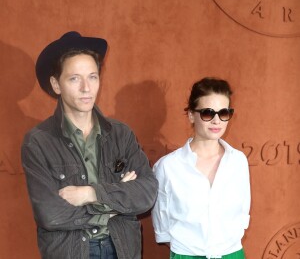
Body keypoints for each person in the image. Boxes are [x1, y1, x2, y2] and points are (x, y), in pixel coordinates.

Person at [21, 31, 158, 259]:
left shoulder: (121, 134)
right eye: (74, 78)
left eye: (92, 77)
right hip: (71, 252)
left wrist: (91, 193)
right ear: (56, 84)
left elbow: (146, 193)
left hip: (122, 248)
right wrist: (115, 202)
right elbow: (50, 214)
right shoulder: (38, 142)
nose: (86, 88)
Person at [151, 77, 251, 259]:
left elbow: (243, 214)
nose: (216, 121)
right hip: (186, 255)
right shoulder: (167, 167)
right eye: (207, 113)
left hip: (232, 254)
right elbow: (162, 227)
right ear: (191, 115)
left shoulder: (238, 162)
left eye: (224, 113)